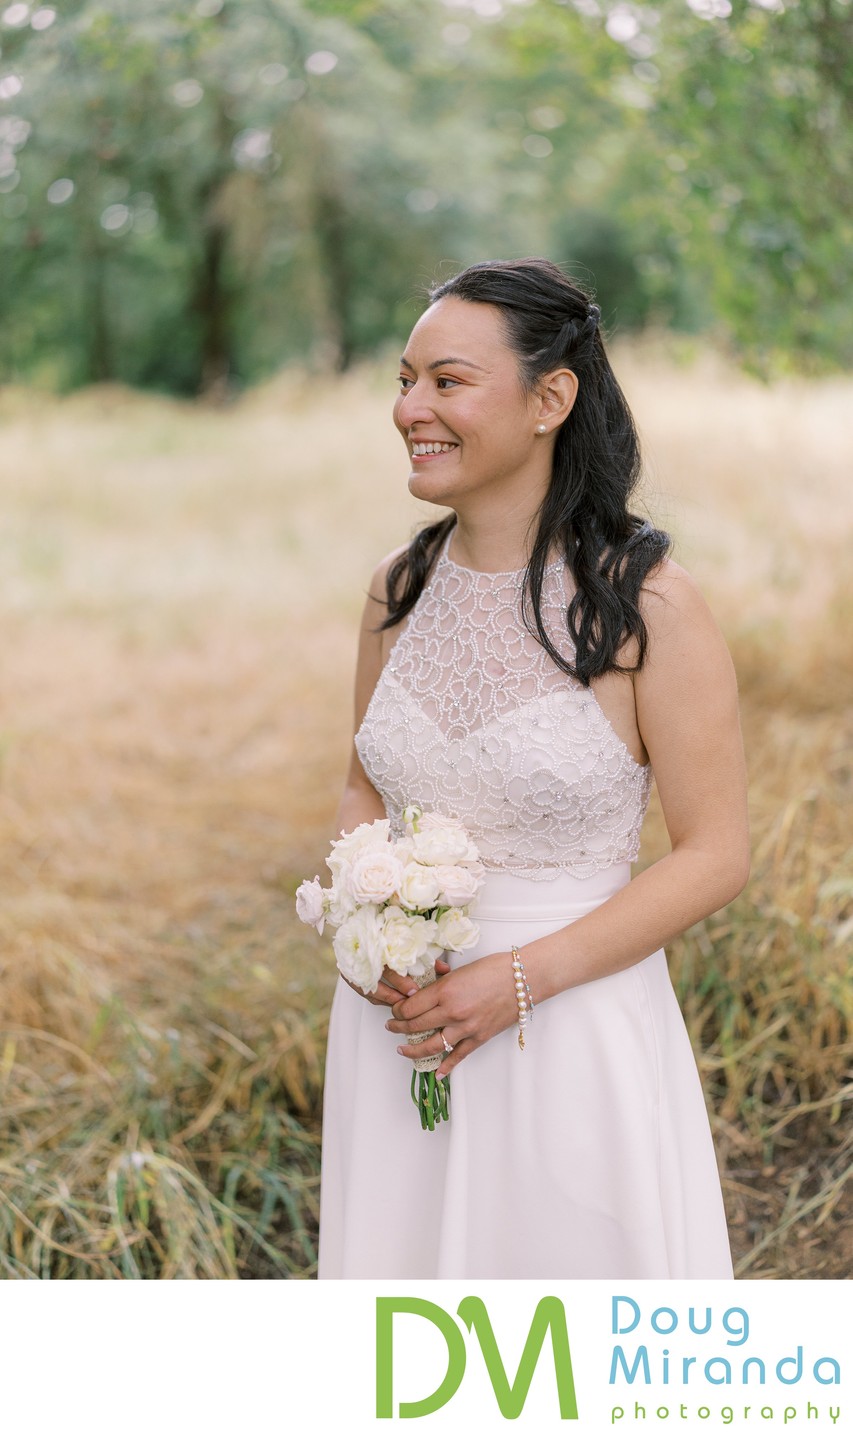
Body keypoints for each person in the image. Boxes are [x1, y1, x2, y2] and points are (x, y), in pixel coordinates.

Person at [317, 256, 749, 1279]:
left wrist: (517, 981)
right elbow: (365, 785)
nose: (410, 408)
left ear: (551, 397)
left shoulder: (646, 603)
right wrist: (362, 927)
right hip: (400, 1029)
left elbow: (716, 852)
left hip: (568, 1030)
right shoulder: (398, 589)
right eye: (404, 379)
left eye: (447, 381)